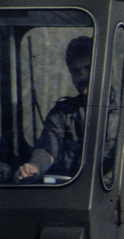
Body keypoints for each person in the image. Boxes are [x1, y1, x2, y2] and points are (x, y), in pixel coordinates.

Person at [17, 35, 91, 180]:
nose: (82, 76)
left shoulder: (122, 110)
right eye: (76, 71)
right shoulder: (62, 112)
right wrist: (34, 168)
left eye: (88, 68)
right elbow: (47, 148)